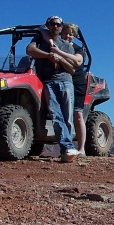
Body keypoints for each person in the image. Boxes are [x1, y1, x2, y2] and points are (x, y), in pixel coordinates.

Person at [26, 16, 83, 163]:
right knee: (55, 115)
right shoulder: (40, 40)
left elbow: (72, 68)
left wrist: (59, 58)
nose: (55, 26)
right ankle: (68, 149)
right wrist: (48, 55)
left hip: (66, 82)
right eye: (52, 24)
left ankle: (67, 150)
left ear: (61, 27)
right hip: (48, 82)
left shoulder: (67, 45)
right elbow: (30, 50)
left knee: (67, 117)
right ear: (48, 25)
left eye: (58, 24)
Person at [61, 22, 87, 156]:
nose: (68, 36)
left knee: (77, 115)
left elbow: (78, 61)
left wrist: (60, 53)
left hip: (77, 81)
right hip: (62, 80)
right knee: (63, 115)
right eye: (66, 33)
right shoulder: (56, 44)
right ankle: (67, 147)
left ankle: (81, 148)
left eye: (71, 34)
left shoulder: (77, 48)